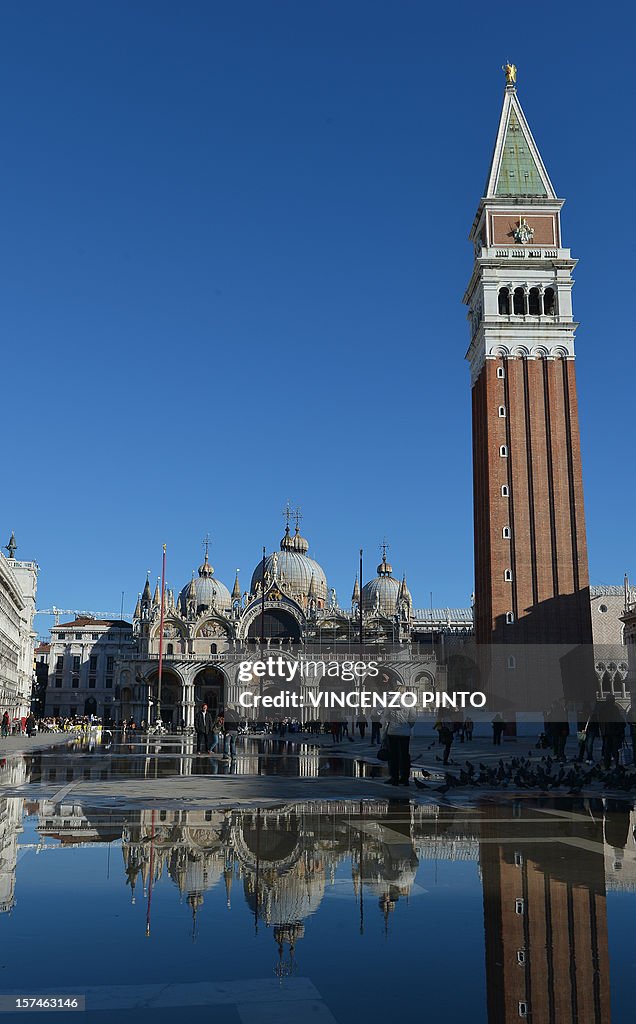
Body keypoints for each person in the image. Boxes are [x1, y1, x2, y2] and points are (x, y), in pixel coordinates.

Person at [382, 701, 416, 787]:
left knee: (394, 756)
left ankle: (395, 778)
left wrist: (384, 734)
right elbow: (413, 718)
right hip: (405, 733)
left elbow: (386, 719)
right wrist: (407, 726)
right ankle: (405, 778)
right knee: (405, 755)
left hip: (393, 732)